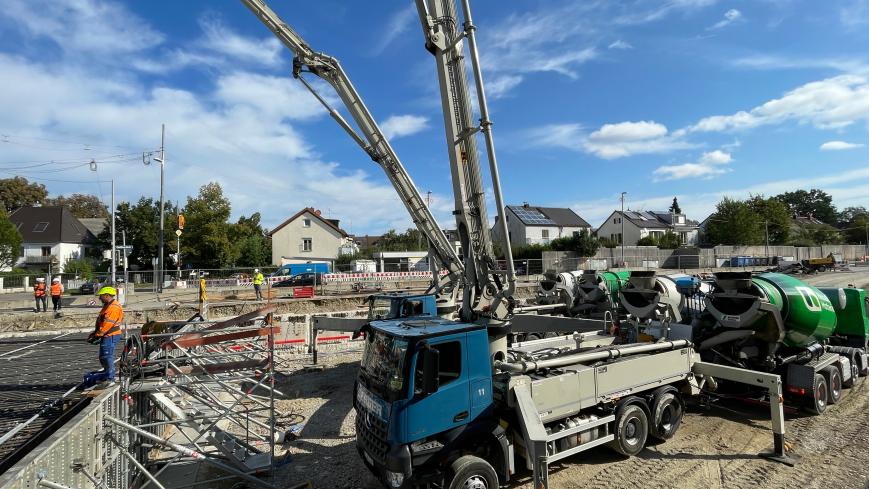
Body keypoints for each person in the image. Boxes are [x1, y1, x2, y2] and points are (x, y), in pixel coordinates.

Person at [86, 286, 124, 384]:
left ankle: (110, 377)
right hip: (107, 334)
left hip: (110, 335)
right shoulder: (108, 305)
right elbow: (103, 322)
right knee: (103, 356)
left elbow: (108, 324)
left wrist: (98, 335)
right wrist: (96, 333)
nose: (99, 298)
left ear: (107, 296)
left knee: (107, 356)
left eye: (101, 296)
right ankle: (107, 373)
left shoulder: (113, 308)